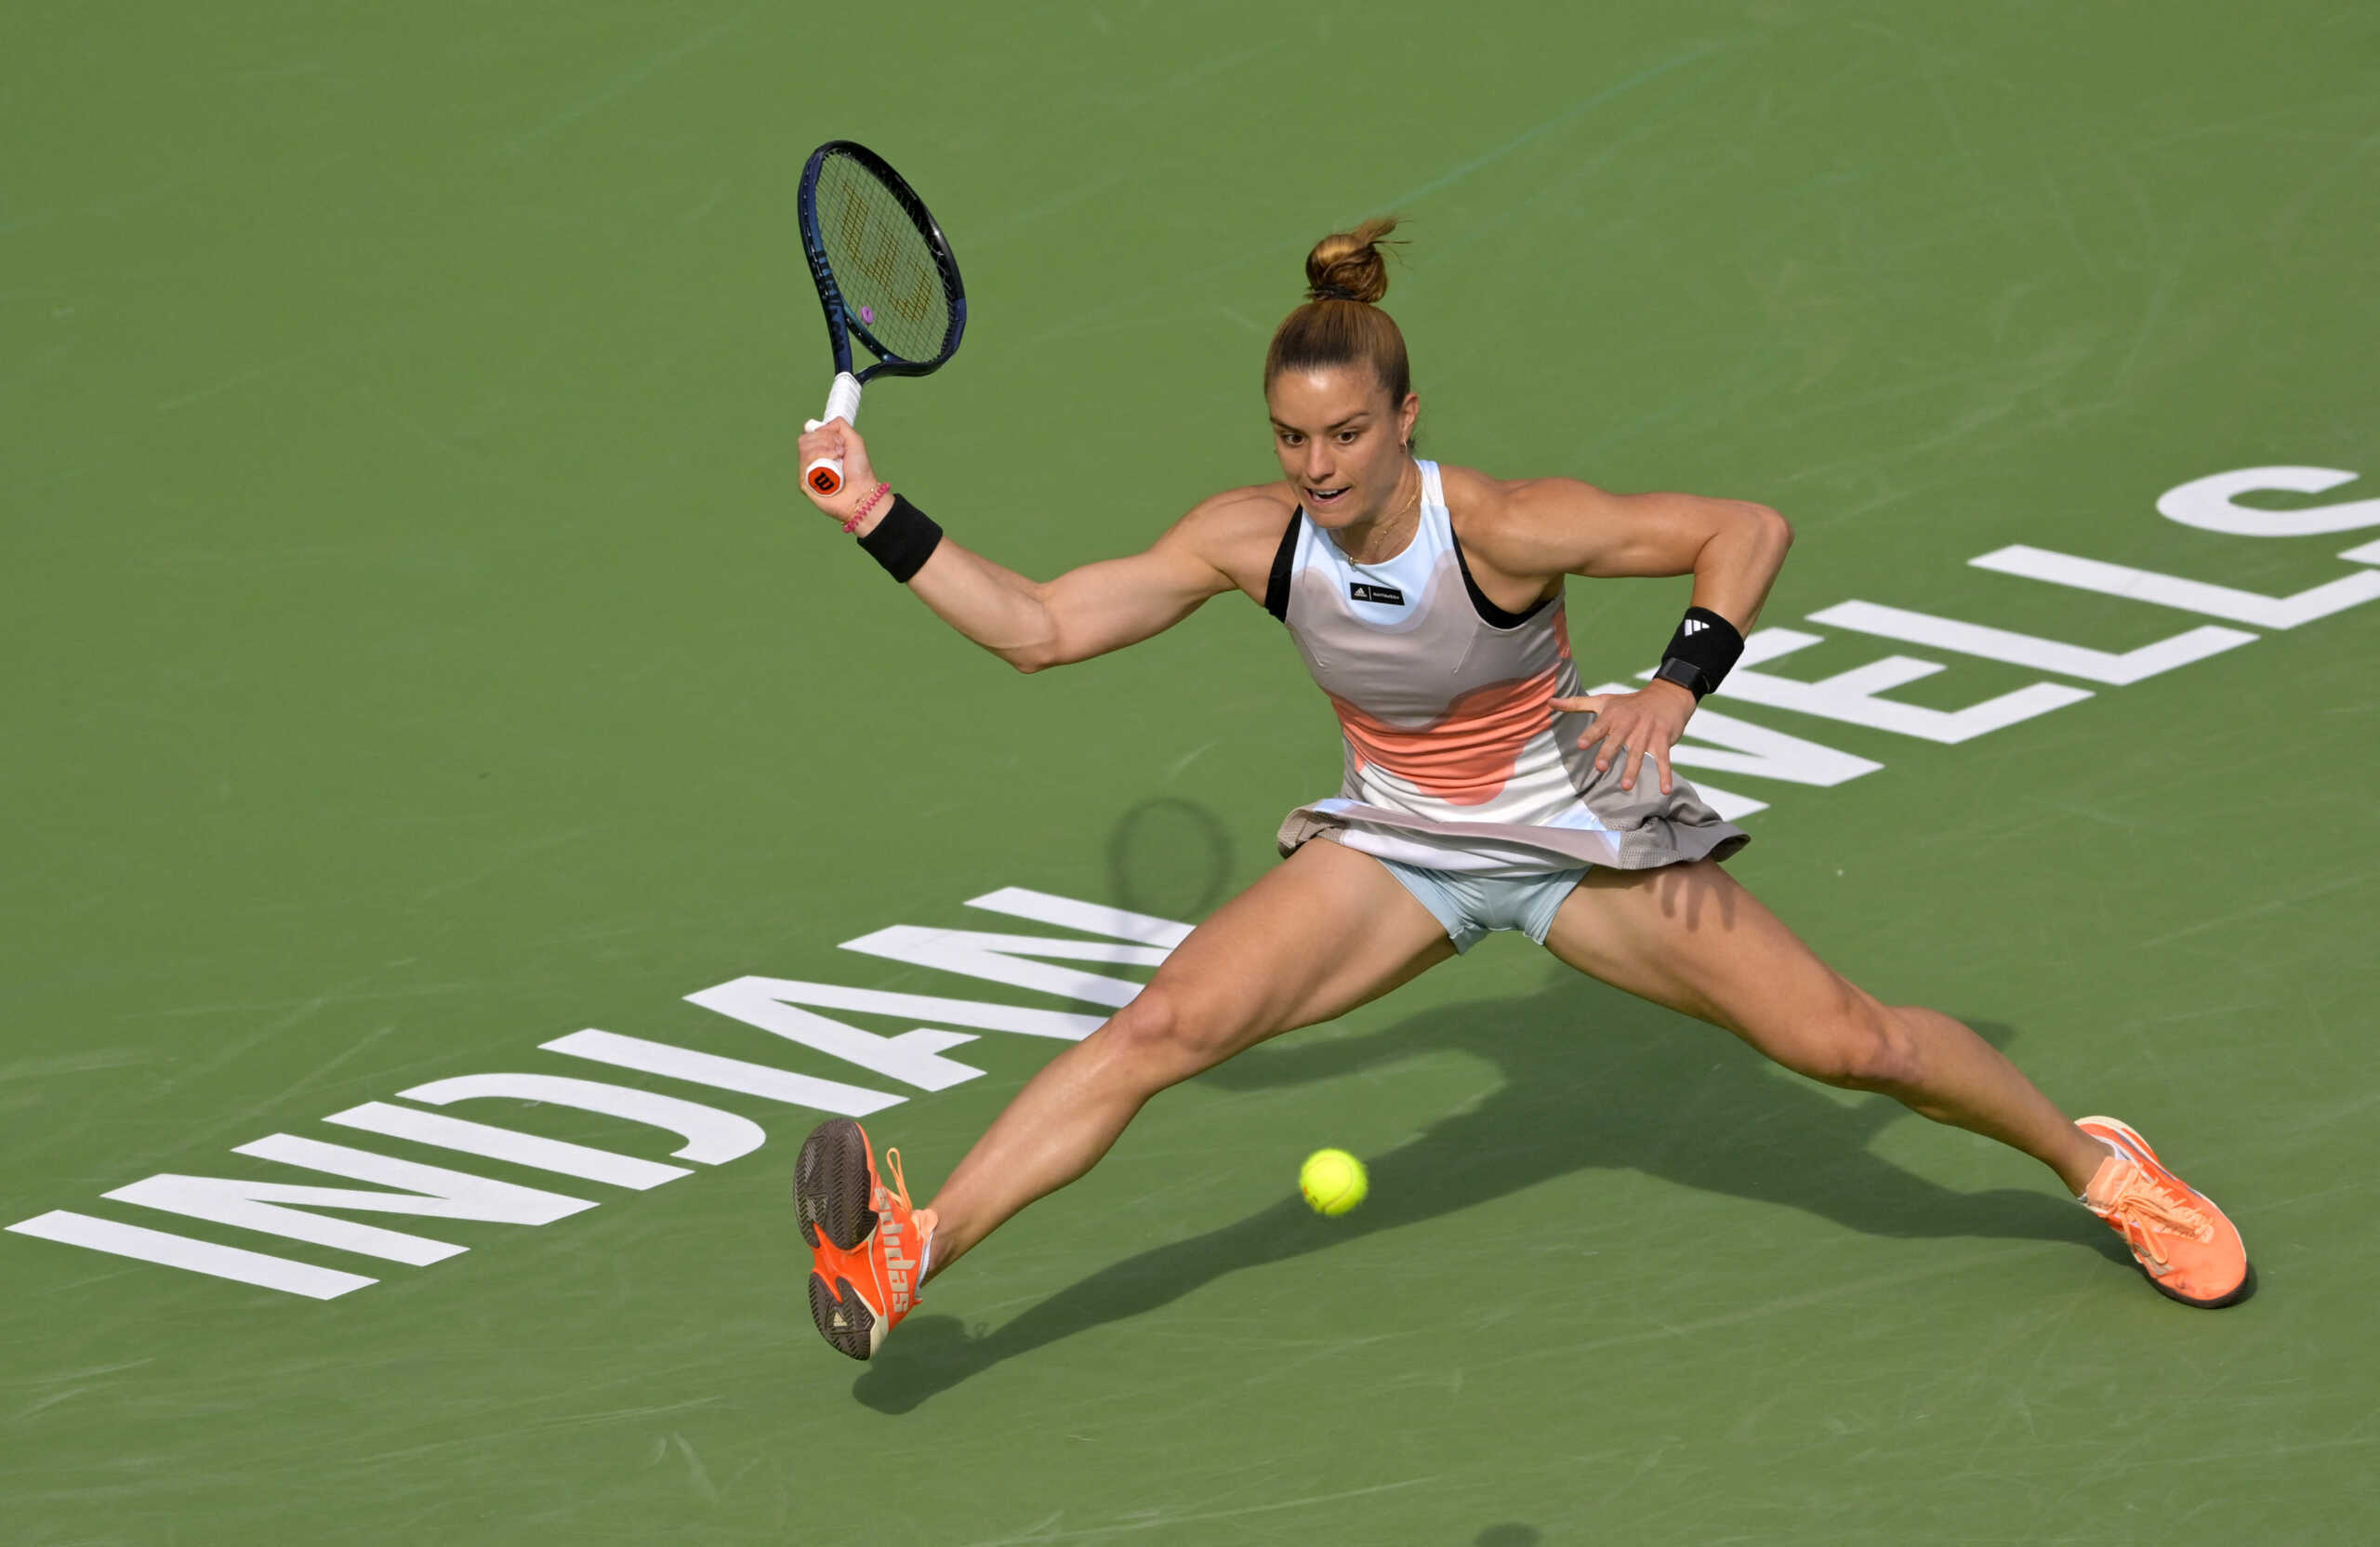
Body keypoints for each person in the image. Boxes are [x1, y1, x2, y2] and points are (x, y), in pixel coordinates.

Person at [787, 218, 2250, 1361]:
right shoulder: (1251, 538)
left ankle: (2099, 1167)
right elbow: (1041, 628)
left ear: (1406, 416)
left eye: (1346, 436)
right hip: (1399, 844)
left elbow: (1745, 527)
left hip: (1569, 830)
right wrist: (871, 510)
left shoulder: (1501, 527)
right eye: (1292, 439)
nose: (1317, 466)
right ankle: (911, 1251)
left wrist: (1676, 688)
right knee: (1160, 1028)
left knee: (1853, 1047)